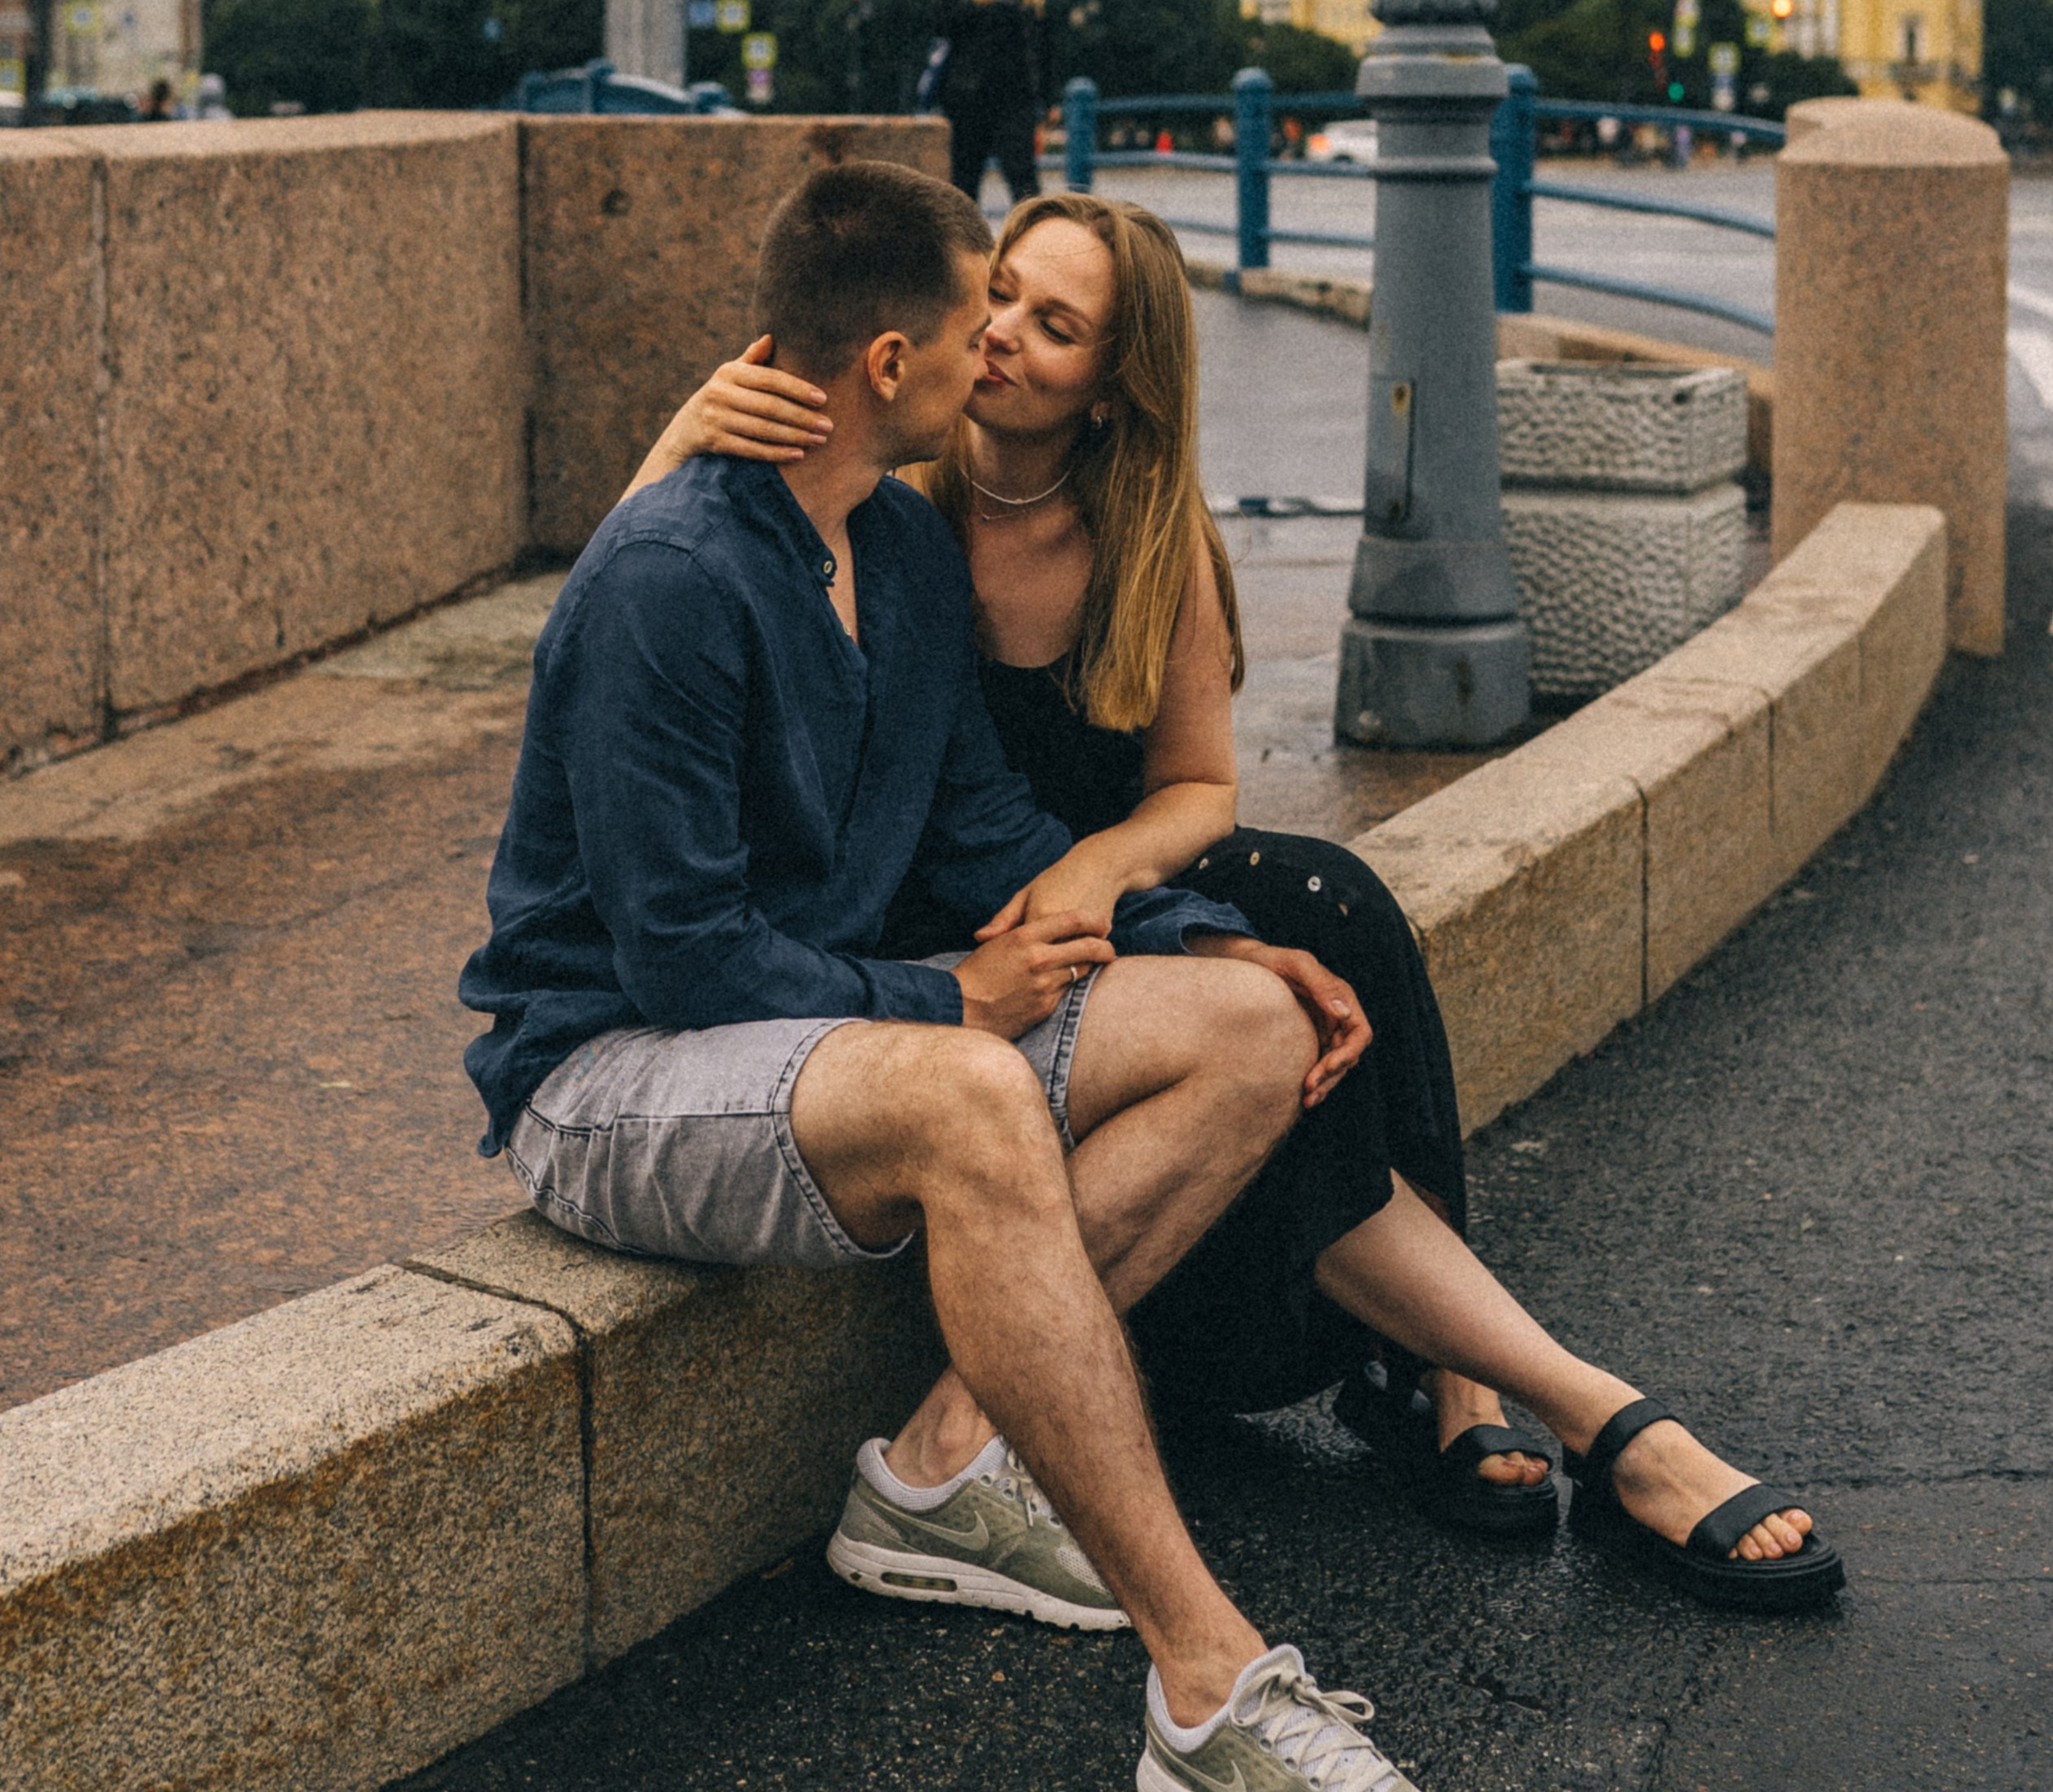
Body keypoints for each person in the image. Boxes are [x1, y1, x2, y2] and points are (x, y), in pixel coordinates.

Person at [464, 159, 1495, 1792]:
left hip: (811, 1038)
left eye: (1034, 320)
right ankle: (1210, 1690)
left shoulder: (896, 559)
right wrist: (948, 1003)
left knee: (1246, 1034)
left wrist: (1207, 940)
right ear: (888, 361)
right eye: (974, 322)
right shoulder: (671, 577)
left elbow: (980, 840)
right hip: (610, 1076)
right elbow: (683, 953)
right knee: (963, 1096)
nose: (993, 356)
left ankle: (939, 1478)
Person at [631, 187, 1843, 1611]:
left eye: (1053, 322)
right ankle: (1585, 1410)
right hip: (927, 920)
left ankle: (1458, 1374)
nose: (1003, 333)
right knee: (1278, 971)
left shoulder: (1146, 534)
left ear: (1112, 385)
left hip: (1053, 879)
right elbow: (659, 604)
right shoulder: (900, 495)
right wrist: (680, 436)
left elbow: (1193, 788)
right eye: (999, 297)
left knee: (1321, 905)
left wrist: (1120, 881)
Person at [931, 0, 1045, 205]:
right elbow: (939, 27)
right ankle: (968, 250)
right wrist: (972, 4)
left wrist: (1034, 11)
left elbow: (1042, 46)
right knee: (964, 184)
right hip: (967, 99)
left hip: (1014, 100)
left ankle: (1032, 247)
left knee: (1025, 184)